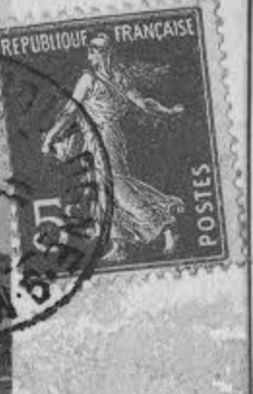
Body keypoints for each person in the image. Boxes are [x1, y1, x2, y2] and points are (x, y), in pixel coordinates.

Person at [40, 32, 186, 260]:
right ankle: (119, 244)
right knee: (102, 191)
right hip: (94, 138)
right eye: (90, 48)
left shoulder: (114, 78)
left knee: (118, 188)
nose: (92, 52)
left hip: (107, 137)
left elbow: (143, 103)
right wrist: (52, 135)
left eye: (97, 48)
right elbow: (70, 111)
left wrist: (167, 111)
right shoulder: (91, 78)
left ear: (109, 52)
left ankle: (165, 225)